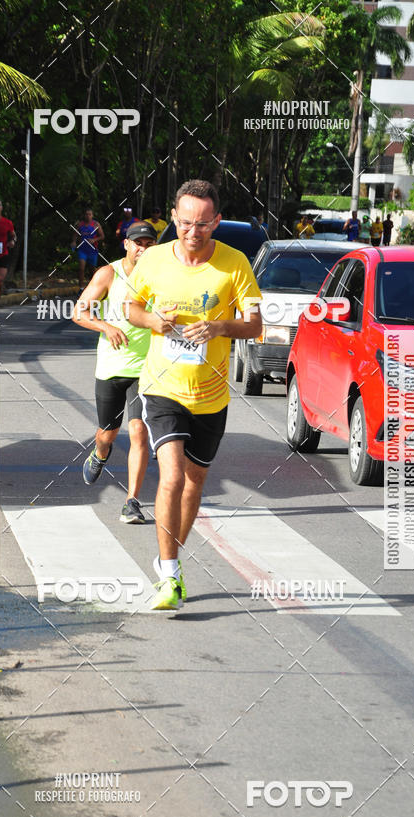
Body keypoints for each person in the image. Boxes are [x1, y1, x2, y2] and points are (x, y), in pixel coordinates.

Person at [125, 179, 262, 610]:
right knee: (171, 476)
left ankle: (169, 559)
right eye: (185, 223)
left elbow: (256, 326)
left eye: (202, 224)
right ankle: (170, 578)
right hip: (162, 388)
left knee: (194, 483)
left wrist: (220, 326)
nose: (192, 232)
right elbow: (130, 309)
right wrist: (154, 321)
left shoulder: (235, 264)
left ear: (215, 222)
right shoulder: (154, 261)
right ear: (175, 219)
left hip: (211, 394)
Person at [73, 222, 157, 524]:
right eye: (139, 243)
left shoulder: (160, 277)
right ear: (127, 245)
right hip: (111, 368)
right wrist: (105, 326)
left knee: (138, 431)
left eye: (149, 243)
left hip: (145, 369)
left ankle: (132, 501)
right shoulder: (109, 274)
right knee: (107, 434)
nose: (143, 249)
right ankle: (99, 453)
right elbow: (79, 312)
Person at [71, 208, 105, 293]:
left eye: (90, 214)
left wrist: (94, 240)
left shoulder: (96, 224)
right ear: (84, 215)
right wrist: (74, 242)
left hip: (93, 250)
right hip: (82, 250)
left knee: (92, 270)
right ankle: (81, 288)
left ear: (92, 215)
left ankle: (92, 288)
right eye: (86, 214)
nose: (88, 216)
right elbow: (75, 235)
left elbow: (102, 236)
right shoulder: (80, 224)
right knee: (81, 268)